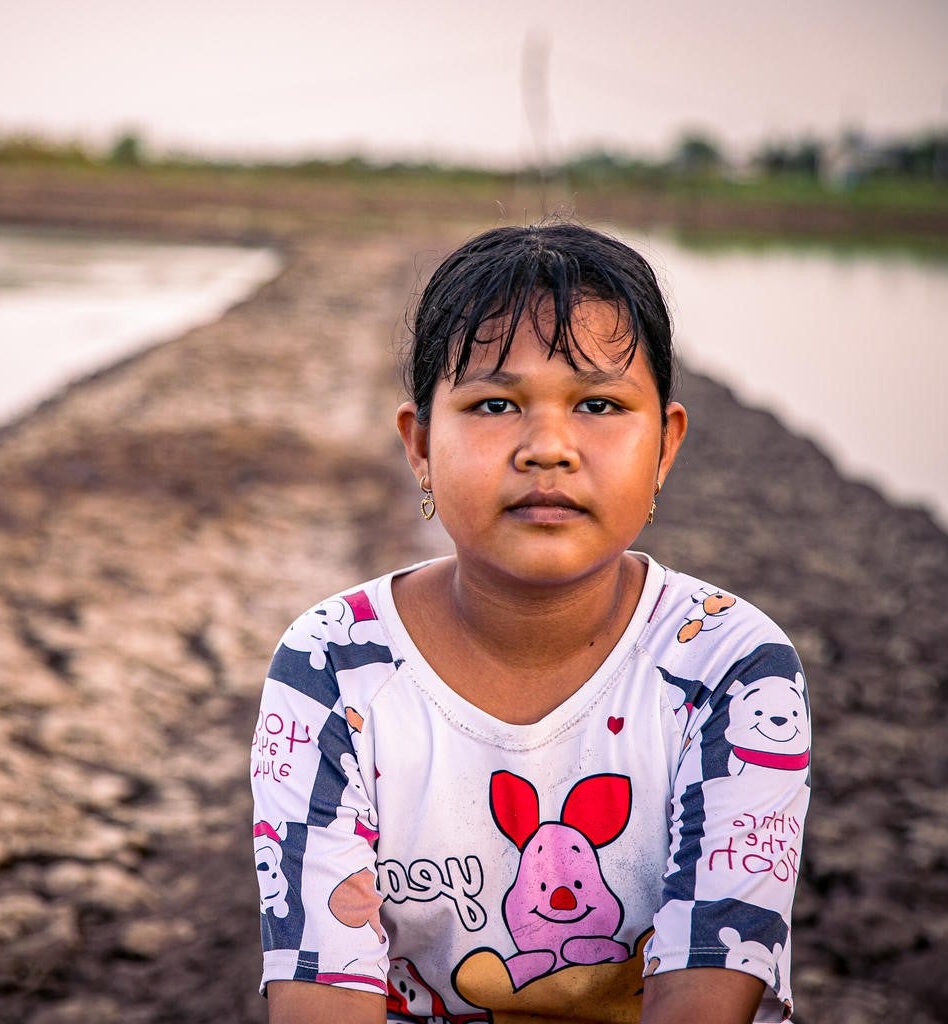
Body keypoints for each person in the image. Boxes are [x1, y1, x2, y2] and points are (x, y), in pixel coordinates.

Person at [250, 222, 810, 1024]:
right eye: (495, 403)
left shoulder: (731, 667)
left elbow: (706, 991)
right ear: (419, 447)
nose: (548, 447)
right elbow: (320, 996)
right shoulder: (334, 668)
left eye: (598, 404)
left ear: (665, 447)